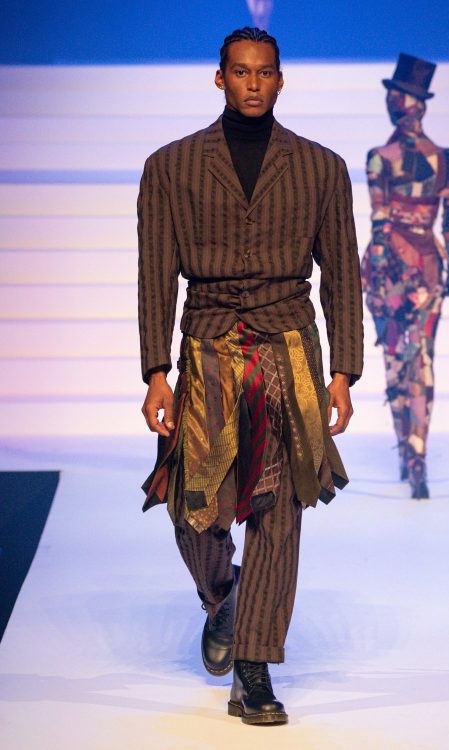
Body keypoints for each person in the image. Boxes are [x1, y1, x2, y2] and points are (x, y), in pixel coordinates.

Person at [137, 26, 363, 726]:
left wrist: (344, 371)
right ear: (220, 78)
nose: (253, 83)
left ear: (281, 79)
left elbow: (343, 272)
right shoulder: (171, 166)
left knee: (279, 508)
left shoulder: (321, 167)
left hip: (286, 347)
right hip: (206, 347)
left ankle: (255, 670)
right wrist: (155, 370)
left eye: (265, 72)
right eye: (240, 72)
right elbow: (155, 274)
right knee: (192, 506)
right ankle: (223, 596)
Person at [361, 53, 449, 500]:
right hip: (428, 267)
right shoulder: (446, 159)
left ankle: (407, 449)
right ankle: (417, 452)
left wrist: (380, 271)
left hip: (390, 268)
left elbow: (380, 222)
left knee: (395, 358)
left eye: (394, 97)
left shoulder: (379, 158)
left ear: (403, 103)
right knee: (422, 359)